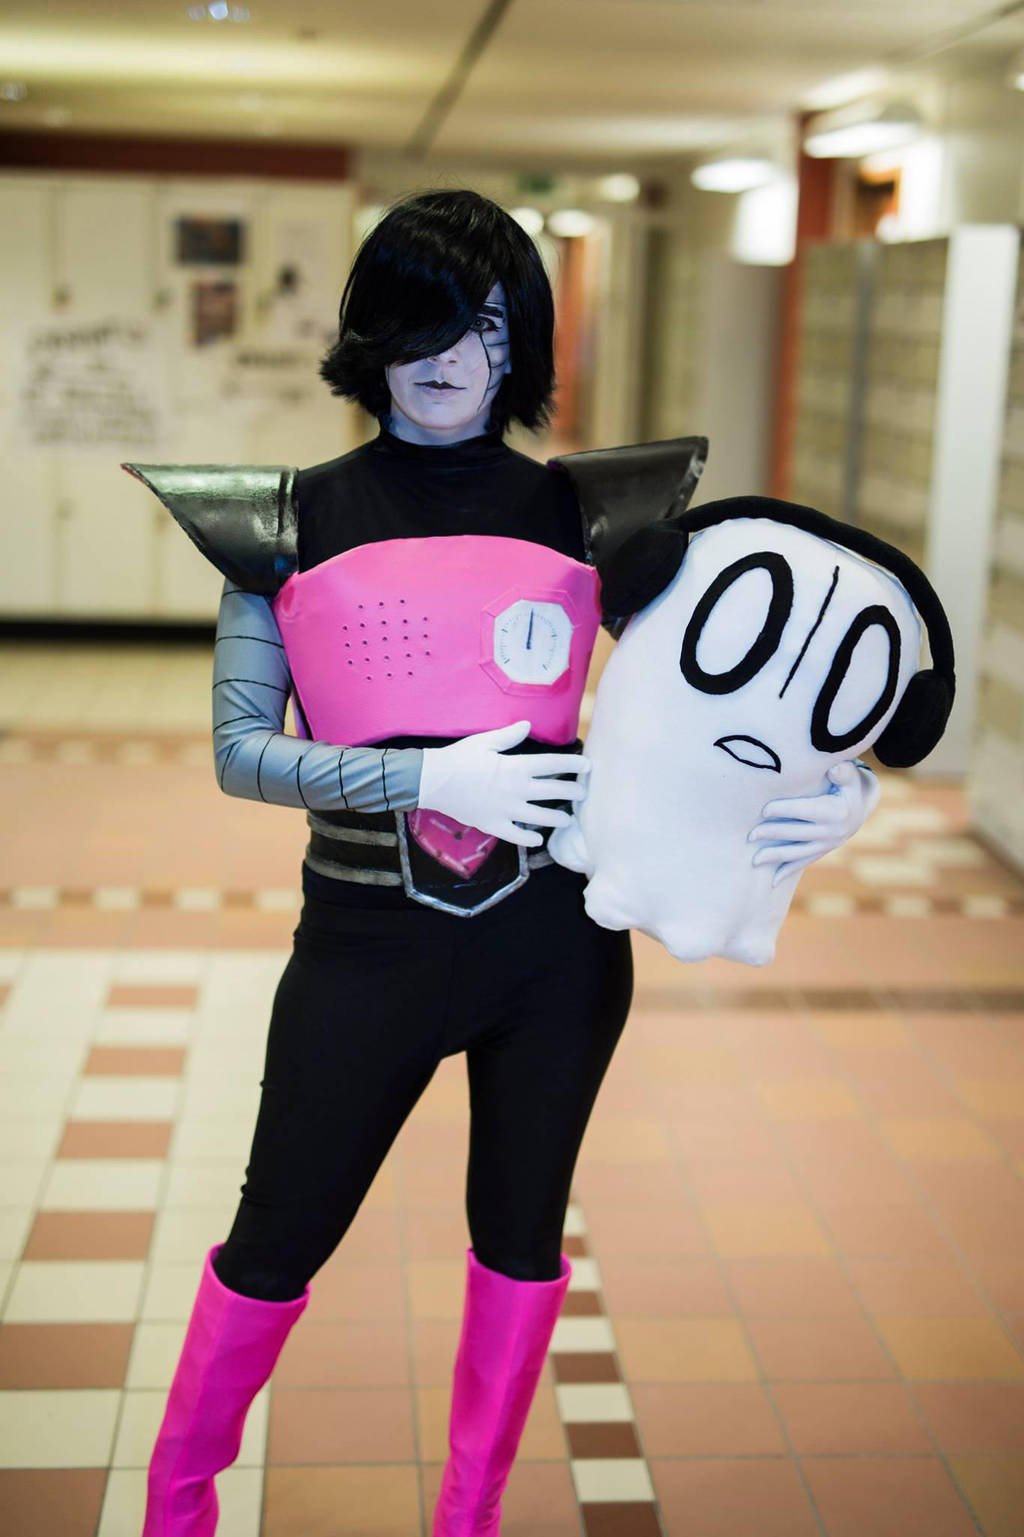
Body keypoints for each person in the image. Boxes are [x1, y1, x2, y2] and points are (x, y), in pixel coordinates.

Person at [128, 188, 875, 1537]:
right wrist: (428, 778)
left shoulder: (598, 518)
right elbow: (242, 752)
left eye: (482, 322)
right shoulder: (285, 519)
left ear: (519, 339)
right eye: (422, 319)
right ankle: (174, 1511)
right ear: (373, 331)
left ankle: (467, 1521)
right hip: (365, 948)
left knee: (522, 1241)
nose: (450, 353)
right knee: (276, 1236)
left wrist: (838, 788)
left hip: (555, 951)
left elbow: (738, 698)